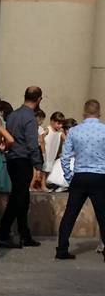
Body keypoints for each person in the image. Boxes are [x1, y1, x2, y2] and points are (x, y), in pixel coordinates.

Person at [55, 99, 105, 260]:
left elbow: (65, 157)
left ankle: (62, 249)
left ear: (84, 112)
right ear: (99, 112)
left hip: (80, 176)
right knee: (103, 215)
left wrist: (70, 177)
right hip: (99, 176)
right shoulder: (104, 130)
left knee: (70, 214)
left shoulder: (75, 131)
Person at [0, 86, 44, 248]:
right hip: (22, 160)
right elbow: (32, 144)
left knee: (22, 198)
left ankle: (24, 233)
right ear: (38, 99)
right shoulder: (30, 117)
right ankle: (3, 233)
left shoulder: (13, 115)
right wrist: (38, 165)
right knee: (18, 198)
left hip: (12, 159)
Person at [40, 111, 65, 191]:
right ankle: (42, 185)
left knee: (48, 169)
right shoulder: (48, 129)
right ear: (52, 121)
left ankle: (44, 184)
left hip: (52, 154)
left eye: (61, 124)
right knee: (44, 169)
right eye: (58, 123)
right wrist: (42, 149)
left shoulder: (59, 132)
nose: (60, 125)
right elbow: (41, 138)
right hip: (46, 152)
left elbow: (66, 139)